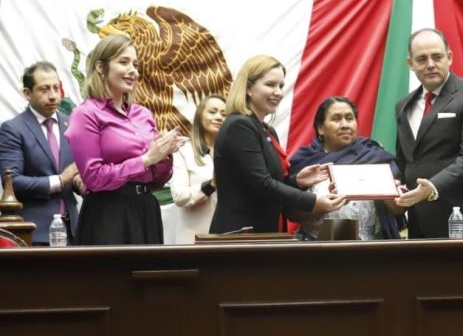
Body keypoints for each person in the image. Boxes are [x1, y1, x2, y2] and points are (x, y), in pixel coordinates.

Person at [65, 34, 183, 244]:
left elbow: (157, 181)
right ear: (100, 67)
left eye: (135, 64)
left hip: (146, 209)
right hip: (109, 213)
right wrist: (146, 159)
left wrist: (164, 155)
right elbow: (93, 178)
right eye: (124, 62)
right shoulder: (85, 114)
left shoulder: (143, 114)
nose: (133, 71)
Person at [210, 56, 345, 234]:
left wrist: (297, 181)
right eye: (270, 85)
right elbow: (261, 185)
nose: (278, 92)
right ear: (248, 88)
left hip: (265, 232)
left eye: (280, 86)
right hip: (240, 235)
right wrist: (313, 202)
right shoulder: (239, 126)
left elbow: (269, 181)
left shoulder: (267, 130)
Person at [394, 28, 463, 238]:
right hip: (419, 219)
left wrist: (432, 187)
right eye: (422, 59)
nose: (430, 64)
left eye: (437, 57)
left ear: (449, 57)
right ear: (410, 63)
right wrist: (395, 183)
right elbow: (406, 159)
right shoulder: (403, 105)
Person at [289, 96, 405, 239]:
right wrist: (320, 206)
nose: (345, 125)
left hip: (370, 247)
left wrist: (391, 198)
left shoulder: (375, 155)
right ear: (320, 128)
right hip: (316, 246)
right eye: (336, 119)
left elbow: (398, 209)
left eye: (350, 118)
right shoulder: (305, 161)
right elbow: (291, 213)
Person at [0, 62, 82, 245]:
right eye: (44, 89)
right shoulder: (13, 129)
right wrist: (60, 180)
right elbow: (11, 183)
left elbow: (74, 172)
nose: (53, 95)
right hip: (34, 233)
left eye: (56, 88)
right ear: (27, 93)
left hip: (73, 233)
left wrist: (80, 182)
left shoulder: (72, 125)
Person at [169, 95, 225, 243]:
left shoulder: (234, 152)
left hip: (229, 237)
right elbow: (179, 197)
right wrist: (211, 185)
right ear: (199, 116)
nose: (219, 117)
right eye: (213, 112)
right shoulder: (183, 151)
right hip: (193, 240)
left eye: (224, 114)